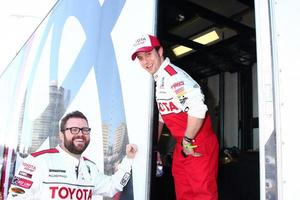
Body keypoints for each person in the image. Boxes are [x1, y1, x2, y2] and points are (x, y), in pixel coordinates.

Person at [131, 34, 219, 200]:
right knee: (183, 195)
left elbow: (198, 108)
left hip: (197, 142)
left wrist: (187, 140)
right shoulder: (159, 80)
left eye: (149, 54)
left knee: (202, 195)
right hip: (183, 145)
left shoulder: (174, 77)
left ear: (160, 51)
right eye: (141, 58)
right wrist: (154, 148)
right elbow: (162, 118)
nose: (145, 62)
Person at [7, 110, 137, 199]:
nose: (80, 134)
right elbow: (16, 197)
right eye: (73, 130)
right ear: (61, 135)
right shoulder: (38, 161)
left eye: (85, 130)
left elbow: (113, 186)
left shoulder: (90, 168)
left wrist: (129, 159)